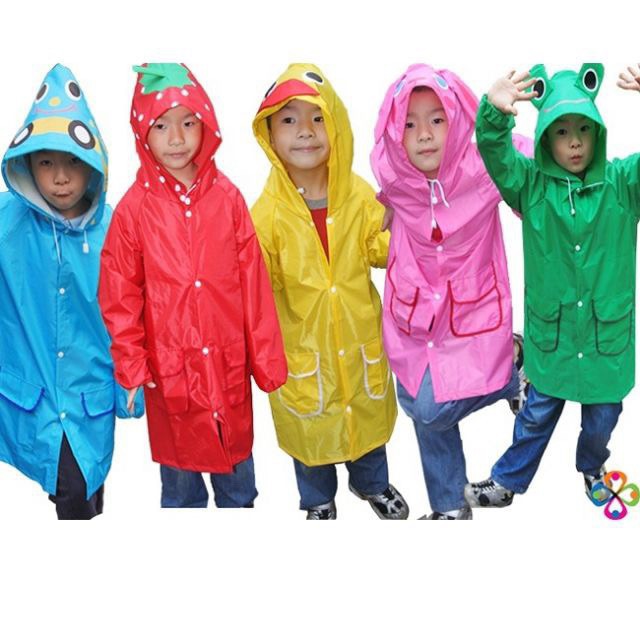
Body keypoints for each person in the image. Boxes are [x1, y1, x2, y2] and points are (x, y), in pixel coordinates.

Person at [99, 63, 286, 508]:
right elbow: (120, 294)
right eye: (161, 126)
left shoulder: (228, 198)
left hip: (226, 365)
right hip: (172, 375)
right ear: (142, 132)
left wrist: (267, 360)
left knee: (238, 484)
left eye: (188, 123)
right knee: (181, 489)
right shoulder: (133, 210)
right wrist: (131, 365)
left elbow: (254, 285)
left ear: (207, 125)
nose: (177, 139)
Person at [465, 63, 640, 509]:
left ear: (598, 132)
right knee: (535, 417)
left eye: (583, 129)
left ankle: (592, 465)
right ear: (545, 138)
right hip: (553, 339)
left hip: (606, 342)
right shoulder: (531, 187)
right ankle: (506, 481)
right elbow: (497, 155)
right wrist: (494, 114)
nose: (575, 142)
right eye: (561, 132)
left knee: (603, 419)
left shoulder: (624, 185)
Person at [371, 63, 531, 520]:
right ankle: (449, 507)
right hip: (414, 316)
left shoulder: (482, 164)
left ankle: (512, 369)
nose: (424, 134)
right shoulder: (391, 169)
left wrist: (495, 118)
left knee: (429, 409)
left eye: (437, 119)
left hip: (471, 315)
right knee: (414, 399)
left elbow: (538, 167)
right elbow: (383, 197)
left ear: (457, 120)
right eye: (409, 124)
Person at [251, 63, 408, 520]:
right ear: (269, 134)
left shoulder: (360, 196)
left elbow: (382, 251)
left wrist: (405, 223)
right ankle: (318, 500)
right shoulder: (265, 215)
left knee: (368, 428)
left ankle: (372, 484)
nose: (305, 131)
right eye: (289, 120)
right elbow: (256, 287)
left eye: (318, 118)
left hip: (360, 345)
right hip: (305, 356)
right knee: (311, 438)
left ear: (336, 124)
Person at [0, 64, 143, 519]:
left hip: (88, 396)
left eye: (73, 162)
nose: (60, 177)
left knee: (84, 489)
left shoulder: (116, 230)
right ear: (26, 163)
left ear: (93, 164)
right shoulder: (7, 222)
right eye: (46, 162)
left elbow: (138, 309)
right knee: (69, 486)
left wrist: (133, 379)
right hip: (29, 391)